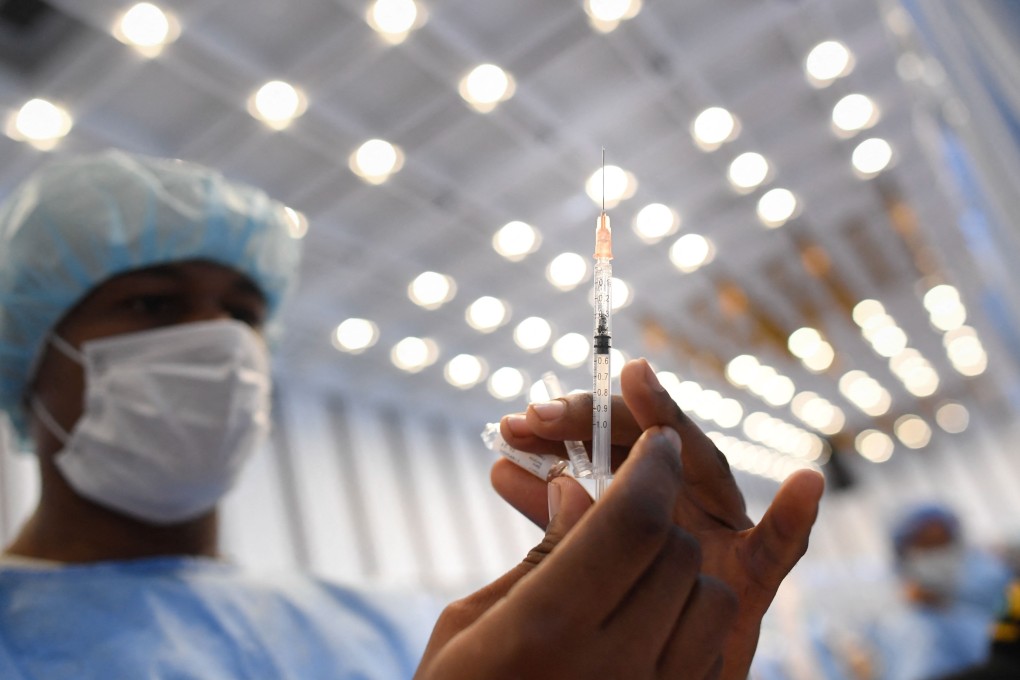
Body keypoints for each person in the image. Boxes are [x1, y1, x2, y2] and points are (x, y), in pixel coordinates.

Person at [0, 149, 825, 679]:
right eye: (150, 302)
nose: (218, 339)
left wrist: (666, 633)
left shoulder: (376, 631)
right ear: (31, 355)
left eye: (245, 313)